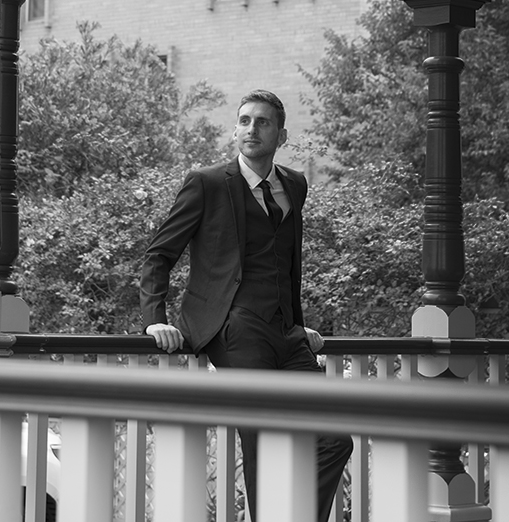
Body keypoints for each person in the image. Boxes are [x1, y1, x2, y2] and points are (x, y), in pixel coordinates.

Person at [140, 89, 352, 522]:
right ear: (235, 129)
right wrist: (154, 321)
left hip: (286, 334)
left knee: (334, 440)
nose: (251, 129)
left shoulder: (294, 184)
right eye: (244, 121)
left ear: (282, 134)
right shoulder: (208, 182)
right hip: (233, 327)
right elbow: (159, 254)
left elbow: (287, 261)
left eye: (262, 122)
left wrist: (299, 323)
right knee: (265, 440)